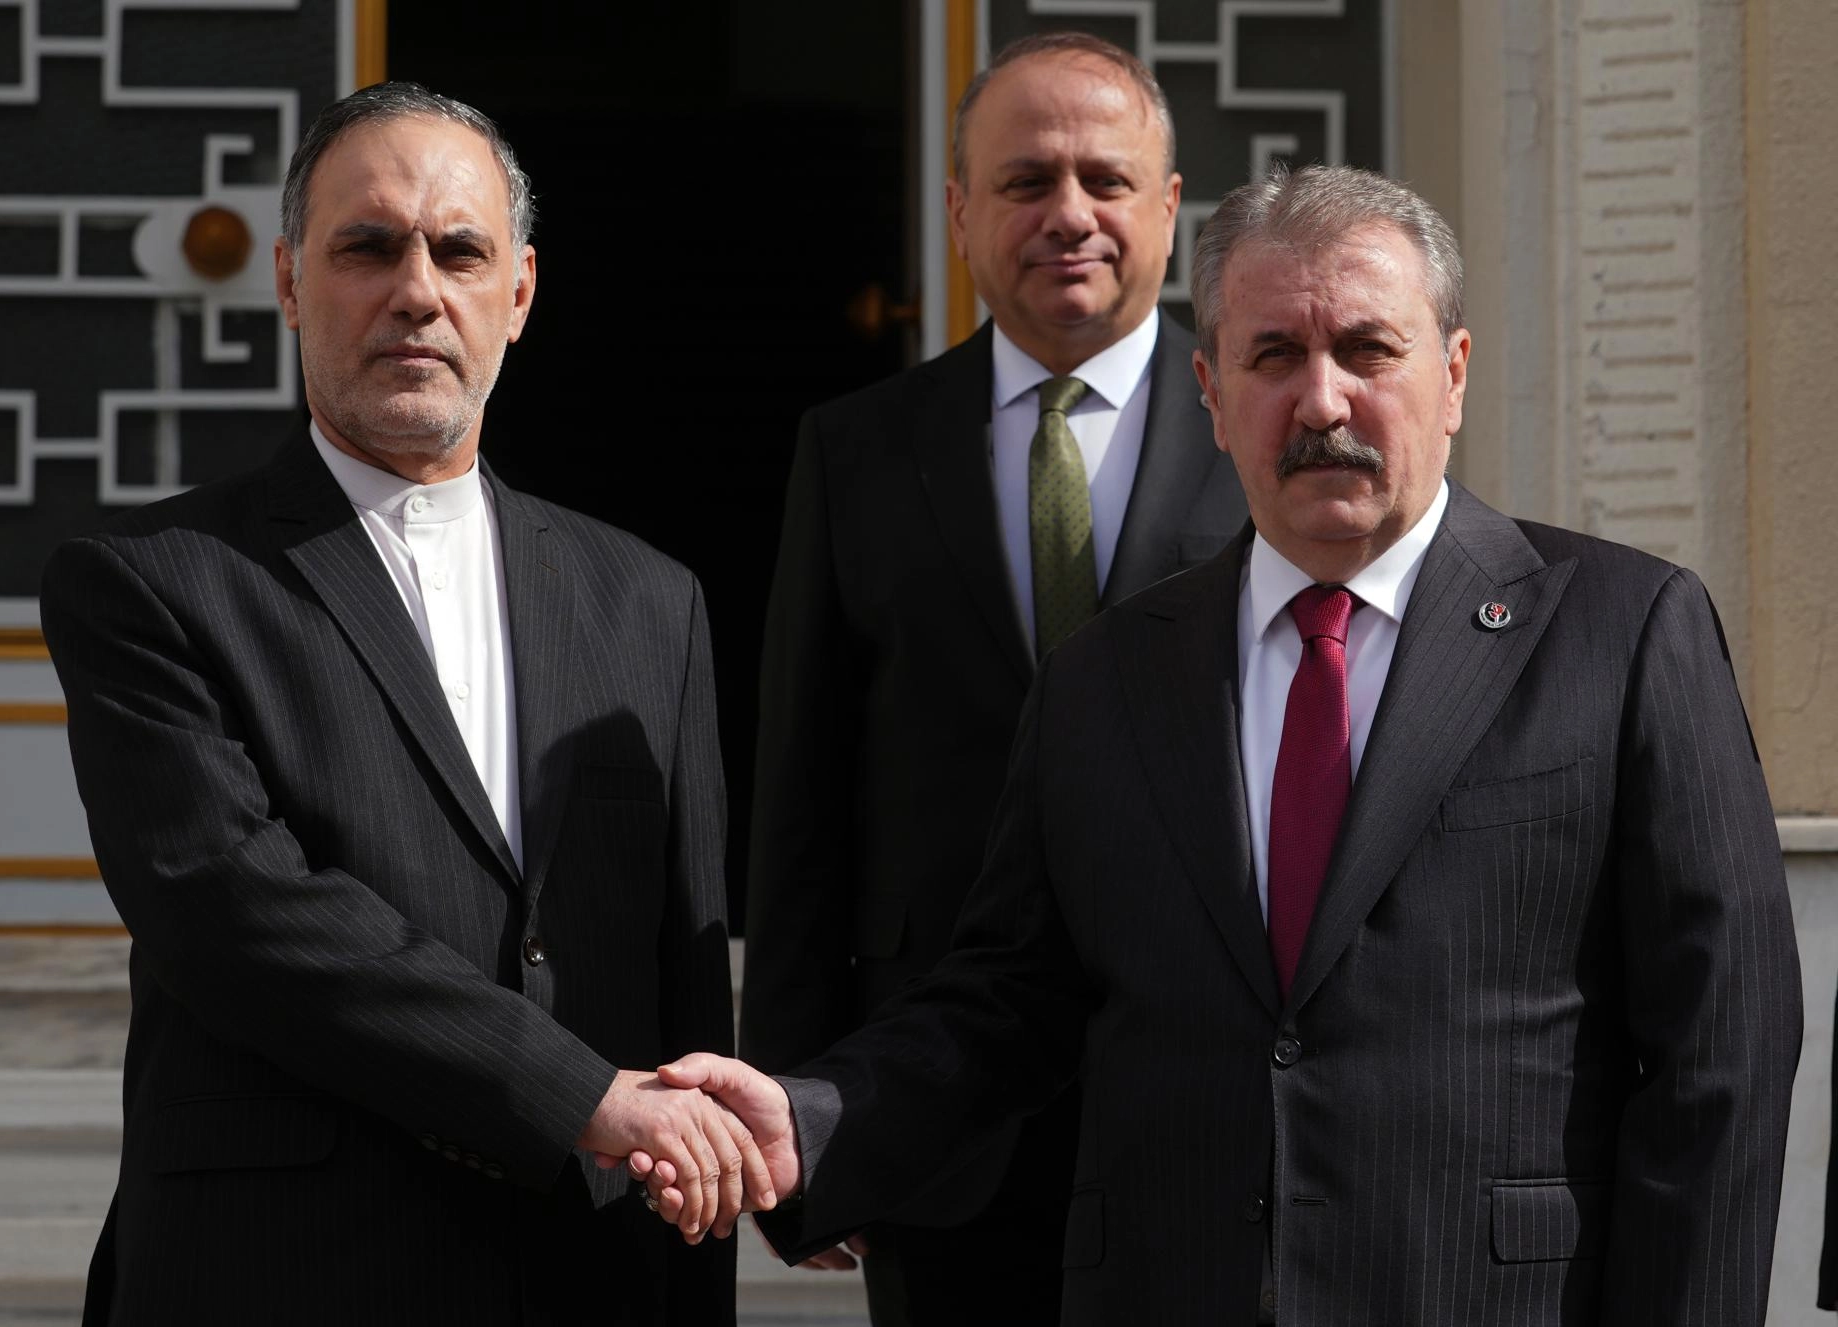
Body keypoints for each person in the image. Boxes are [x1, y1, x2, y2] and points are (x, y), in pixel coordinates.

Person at [650, 164, 1804, 1324]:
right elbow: (1009, 1004)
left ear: (1453, 373)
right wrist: (812, 1119)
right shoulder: (1104, 678)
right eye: (1273, 356)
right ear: (1209, 391)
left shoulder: (1622, 631)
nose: (1322, 401)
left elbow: (1724, 1044)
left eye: (1368, 350)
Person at [40, 83, 769, 1326]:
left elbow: (682, 985)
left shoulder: (651, 601)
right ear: (288, 281)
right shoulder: (155, 582)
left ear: (519, 293)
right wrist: (580, 1095)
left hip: (583, 1279)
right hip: (281, 1270)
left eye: (460, 252)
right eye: (368, 248)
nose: (417, 291)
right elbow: (235, 913)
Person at [740, 31, 1243, 1321]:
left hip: (1209, 1092)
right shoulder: (857, 449)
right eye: (1026, 182)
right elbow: (806, 790)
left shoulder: (1261, 434)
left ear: (1170, 209)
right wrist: (801, 1099)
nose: (1069, 214)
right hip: (937, 1109)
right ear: (961, 212)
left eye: (1106, 180)